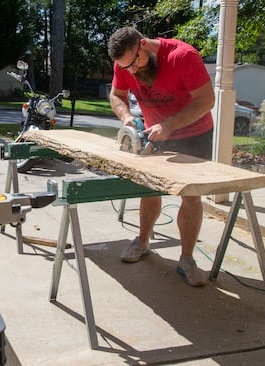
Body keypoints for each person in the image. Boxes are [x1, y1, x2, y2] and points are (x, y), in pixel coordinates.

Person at [107, 27, 215, 287]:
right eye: (125, 68)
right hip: (154, 133)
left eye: (134, 64)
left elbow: (206, 100)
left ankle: (186, 259)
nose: (131, 71)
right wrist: (127, 118)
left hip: (193, 133)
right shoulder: (125, 65)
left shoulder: (182, 56)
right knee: (148, 189)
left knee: (190, 196)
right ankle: (143, 242)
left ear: (143, 44)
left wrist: (170, 125)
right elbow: (117, 95)